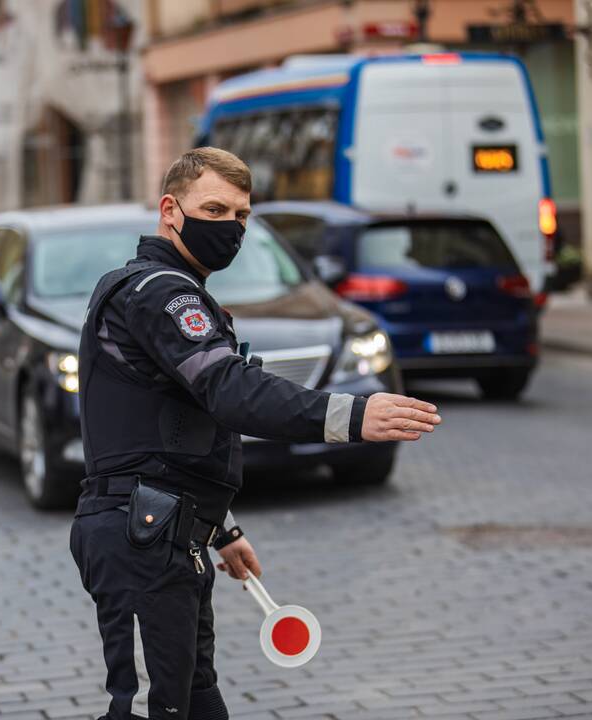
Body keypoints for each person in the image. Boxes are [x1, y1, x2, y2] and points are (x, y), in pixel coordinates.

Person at [70, 147, 441, 720]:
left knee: (196, 704)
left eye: (242, 215)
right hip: (140, 539)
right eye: (214, 209)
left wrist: (219, 530)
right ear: (170, 210)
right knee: (153, 710)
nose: (231, 227)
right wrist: (349, 415)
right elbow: (229, 390)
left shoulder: (166, 289)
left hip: (165, 531)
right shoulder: (163, 293)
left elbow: (171, 433)